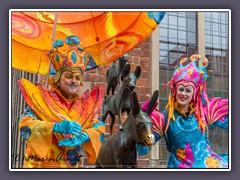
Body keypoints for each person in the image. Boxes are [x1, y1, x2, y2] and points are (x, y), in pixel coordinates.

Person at [18, 35, 105, 168]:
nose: (74, 81)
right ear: (58, 79)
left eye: (77, 77)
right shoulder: (41, 100)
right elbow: (25, 125)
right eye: (69, 76)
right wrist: (54, 127)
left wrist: (85, 136)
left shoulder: (84, 106)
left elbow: (99, 127)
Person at [138, 54, 229, 168]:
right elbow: (142, 149)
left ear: (194, 94)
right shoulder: (165, 119)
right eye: (181, 89)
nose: (183, 94)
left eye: (188, 90)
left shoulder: (204, 113)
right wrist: (141, 119)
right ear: (175, 91)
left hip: (207, 165)